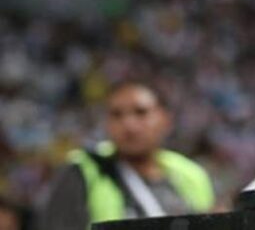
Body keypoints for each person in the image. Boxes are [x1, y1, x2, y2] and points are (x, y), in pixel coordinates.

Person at [38, 81, 214, 229]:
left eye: (141, 112)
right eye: (116, 115)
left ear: (166, 119)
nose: (129, 124)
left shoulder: (192, 175)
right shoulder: (83, 170)